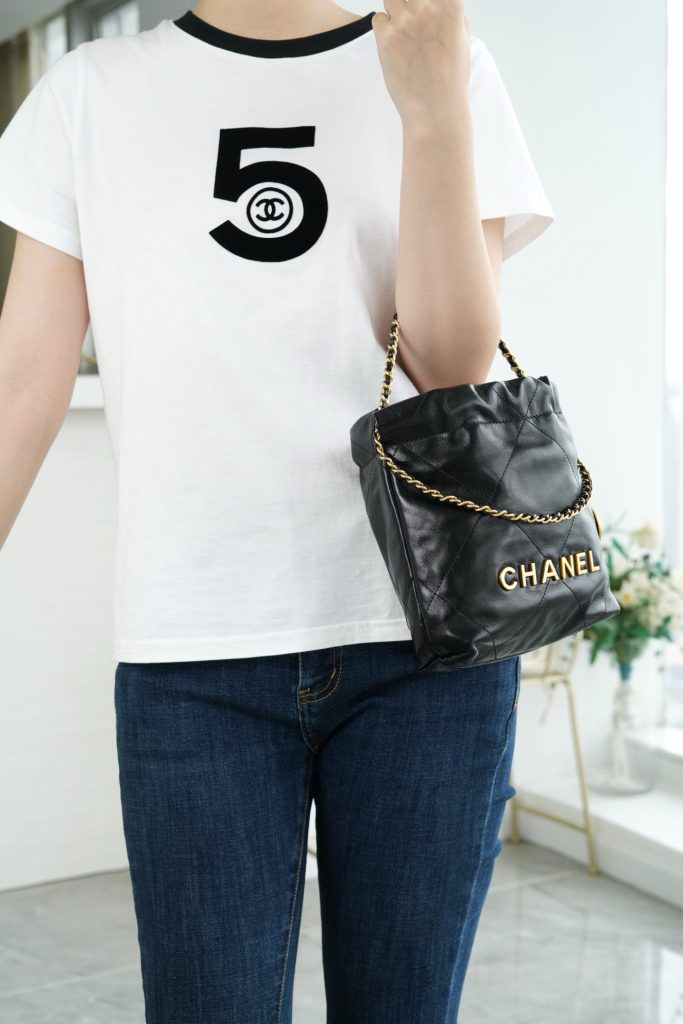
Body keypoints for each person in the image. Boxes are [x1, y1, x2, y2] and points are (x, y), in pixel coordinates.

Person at [0, 1, 555, 1021]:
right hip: (192, 659)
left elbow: (448, 363)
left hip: (425, 644)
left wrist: (431, 111)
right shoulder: (85, 95)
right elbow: (20, 385)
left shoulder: (449, 62)